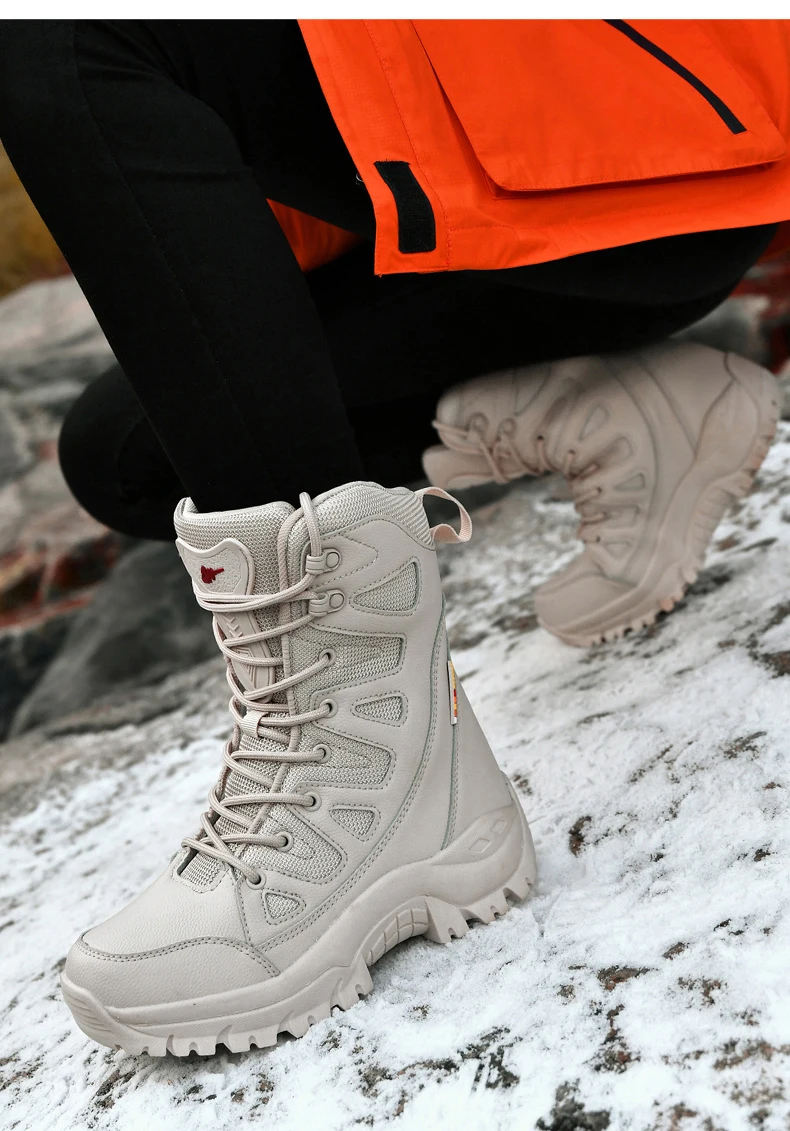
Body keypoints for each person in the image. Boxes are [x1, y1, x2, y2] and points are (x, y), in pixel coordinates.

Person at [0, 19, 786, 1056]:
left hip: (632, 112)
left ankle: (375, 759)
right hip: (497, 204)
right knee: (129, 451)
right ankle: (615, 408)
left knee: (61, 39)